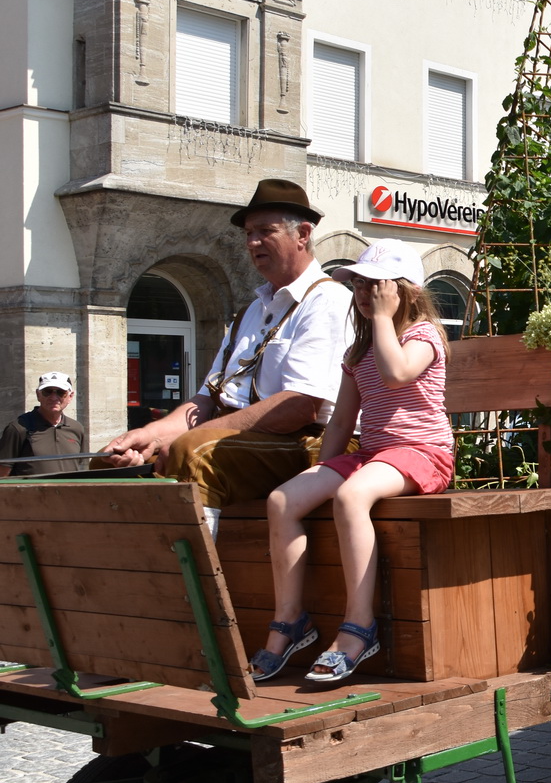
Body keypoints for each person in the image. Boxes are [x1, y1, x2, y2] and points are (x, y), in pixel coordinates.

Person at [98, 181, 351, 533]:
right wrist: (150, 435)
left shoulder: (327, 301)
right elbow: (207, 399)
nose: (251, 242)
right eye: (248, 233)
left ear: (303, 234)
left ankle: (194, 584)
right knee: (111, 466)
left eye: (265, 231)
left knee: (194, 453)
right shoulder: (250, 312)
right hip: (248, 442)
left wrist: (192, 438)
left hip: (315, 443)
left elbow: (300, 406)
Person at [254, 241, 453, 684]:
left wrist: (383, 319)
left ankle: (359, 627)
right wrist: (321, 474)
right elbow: (343, 419)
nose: (363, 294)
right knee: (283, 499)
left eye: (374, 285)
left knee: (351, 496)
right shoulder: (358, 351)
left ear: (405, 291)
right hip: (373, 454)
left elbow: (397, 373)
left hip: (423, 453)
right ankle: (290, 622)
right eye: (359, 285)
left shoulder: (423, 336)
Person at [0, 372, 88, 477]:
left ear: (70, 396)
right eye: (47, 392)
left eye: (61, 392)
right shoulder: (18, 428)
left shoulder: (77, 428)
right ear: (38, 395)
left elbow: (80, 465)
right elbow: (3, 473)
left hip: (69, 493)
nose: (53, 397)